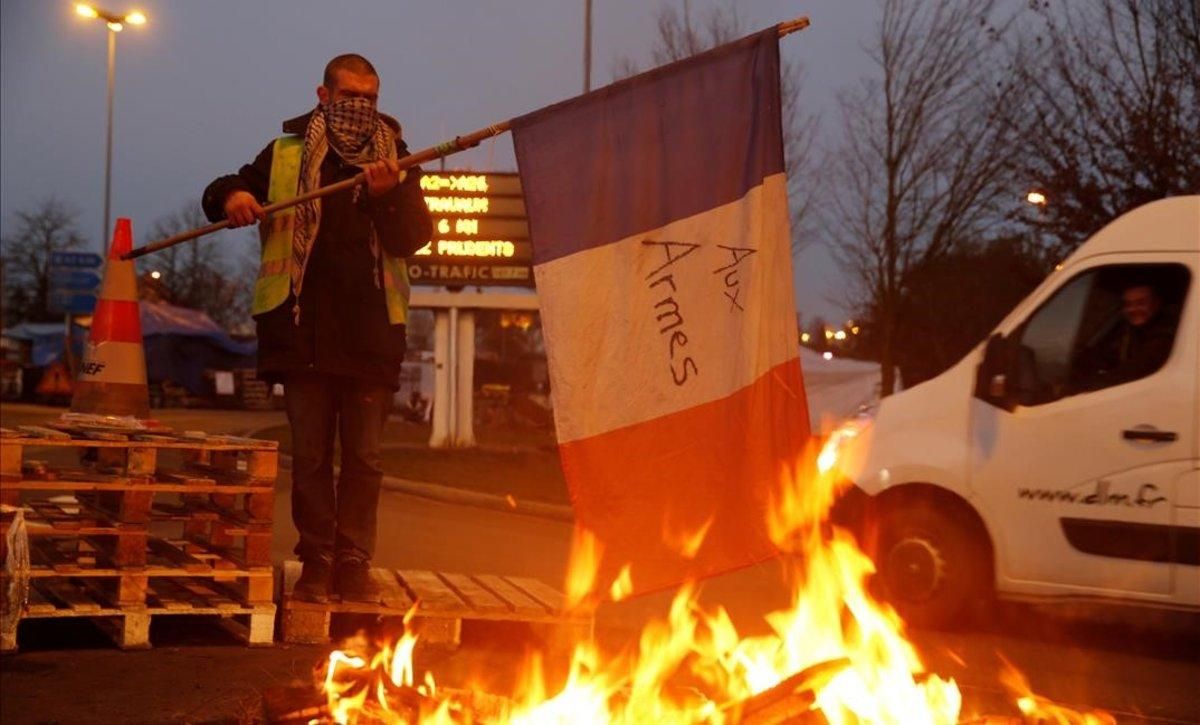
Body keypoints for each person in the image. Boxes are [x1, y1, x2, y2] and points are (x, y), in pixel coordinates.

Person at [202, 54, 432, 602]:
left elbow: (414, 237)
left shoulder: (398, 159)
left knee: (364, 459)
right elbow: (226, 186)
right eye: (349, 95)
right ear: (323, 95)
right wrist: (233, 198)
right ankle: (318, 560)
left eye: (371, 98)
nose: (361, 107)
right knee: (309, 457)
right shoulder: (284, 153)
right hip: (302, 334)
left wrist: (385, 198)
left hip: (372, 336)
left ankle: (354, 559)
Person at [1077, 279, 1177, 390]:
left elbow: (1135, 370)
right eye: (1128, 304)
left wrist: (1087, 387)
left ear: (1156, 304)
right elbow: (1103, 353)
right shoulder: (1126, 329)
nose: (1133, 309)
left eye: (1141, 303)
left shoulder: (1166, 333)